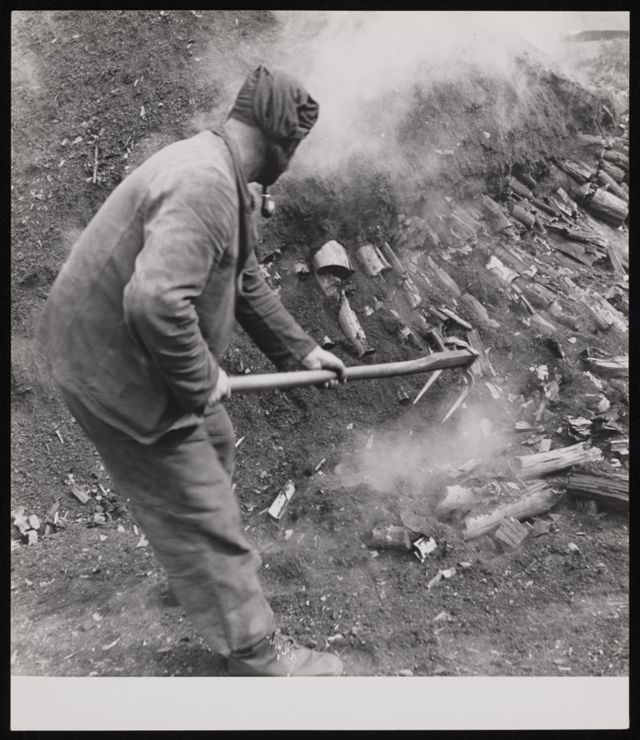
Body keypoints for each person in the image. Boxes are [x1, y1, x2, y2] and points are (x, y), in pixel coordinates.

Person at [36, 65, 347, 676]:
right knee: (201, 499)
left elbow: (243, 277)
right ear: (279, 142)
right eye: (294, 148)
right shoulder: (204, 184)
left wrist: (302, 350)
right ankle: (257, 656)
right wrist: (202, 376)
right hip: (110, 366)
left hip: (122, 348)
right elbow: (155, 303)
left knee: (216, 439)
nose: (291, 162)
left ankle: (200, 580)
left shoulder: (224, 173)